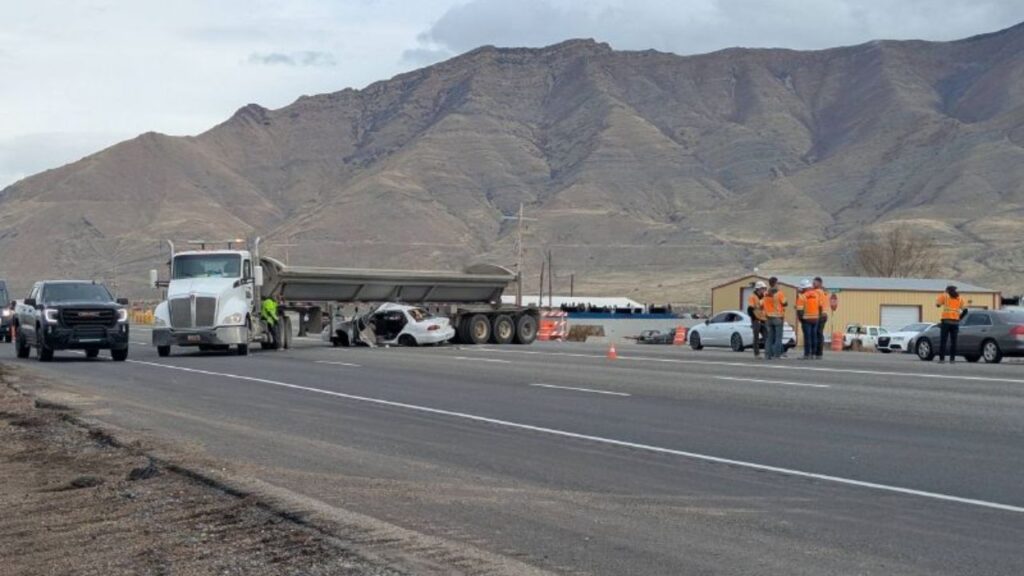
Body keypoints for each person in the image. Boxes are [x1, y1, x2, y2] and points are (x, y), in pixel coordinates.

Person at [935, 285, 966, 363]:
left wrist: (942, 295)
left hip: (946, 322)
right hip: (955, 323)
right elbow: (965, 311)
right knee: (954, 342)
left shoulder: (945, 296)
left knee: (943, 341)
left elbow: (937, 305)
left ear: (947, 290)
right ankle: (952, 360)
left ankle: (942, 359)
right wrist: (959, 318)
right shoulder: (960, 298)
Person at [796, 279, 821, 360]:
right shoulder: (817, 295)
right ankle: (813, 354)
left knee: (807, 337)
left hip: (806, 319)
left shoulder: (802, 296)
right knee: (814, 337)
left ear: (804, 288)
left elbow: (799, 310)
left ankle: (807, 354)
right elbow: (820, 306)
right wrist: (818, 316)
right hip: (815, 318)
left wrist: (801, 319)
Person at [762, 282, 787, 359]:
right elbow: (785, 303)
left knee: (769, 337)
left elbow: (761, 304)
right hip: (777, 318)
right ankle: (777, 354)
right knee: (778, 337)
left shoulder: (765, 294)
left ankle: (767, 354)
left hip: (768, 318)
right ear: (776, 285)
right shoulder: (780, 294)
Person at [746, 281, 768, 358]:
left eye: (764, 288)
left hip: (764, 319)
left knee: (766, 336)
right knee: (756, 337)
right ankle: (757, 353)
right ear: (758, 289)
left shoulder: (764, 296)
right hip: (756, 320)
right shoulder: (752, 297)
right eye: (763, 288)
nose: (764, 290)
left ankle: (767, 353)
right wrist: (755, 318)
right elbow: (750, 309)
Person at [813, 277, 829, 359]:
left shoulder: (818, 292)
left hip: (820, 314)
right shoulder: (824, 292)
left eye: (815, 283)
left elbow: (818, 304)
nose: (813, 284)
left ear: (820, 283)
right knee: (819, 334)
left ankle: (817, 352)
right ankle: (819, 353)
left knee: (817, 334)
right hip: (824, 314)